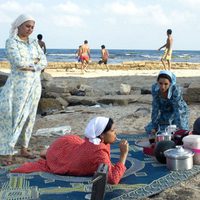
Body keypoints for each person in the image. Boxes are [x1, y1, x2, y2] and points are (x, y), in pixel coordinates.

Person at [11, 117, 129, 184]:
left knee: (68, 148)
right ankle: (49, 153)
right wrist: (123, 155)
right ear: (101, 135)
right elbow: (113, 179)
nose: (116, 133)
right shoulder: (99, 152)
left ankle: (48, 152)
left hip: (67, 145)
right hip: (67, 154)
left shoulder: (95, 140)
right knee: (59, 156)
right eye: (113, 131)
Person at [0, 14, 47, 165]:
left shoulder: (34, 43)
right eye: (27, 26)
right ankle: (7, 151)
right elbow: (18, 62)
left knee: (30, 116)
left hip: (34, 84)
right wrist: (35, 62)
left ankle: (23, 148)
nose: (30, 29)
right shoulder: (11, 42)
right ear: (19, 25)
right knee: (14, 116)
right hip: (18, 85)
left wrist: (32, 64)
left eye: (32, 27)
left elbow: (44, 61)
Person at [145, 70, 189, 135]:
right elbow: (155, 108)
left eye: (166, 84)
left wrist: (179, 128)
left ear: (170, 83)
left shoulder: (175, 90)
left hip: (180, 111)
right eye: (160, 83)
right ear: (157, 82)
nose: (162, 87)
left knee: (178, 131)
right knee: (153, 130)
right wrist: (154, 126)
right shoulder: (155, 89)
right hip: (165, 111)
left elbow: (177, 109)